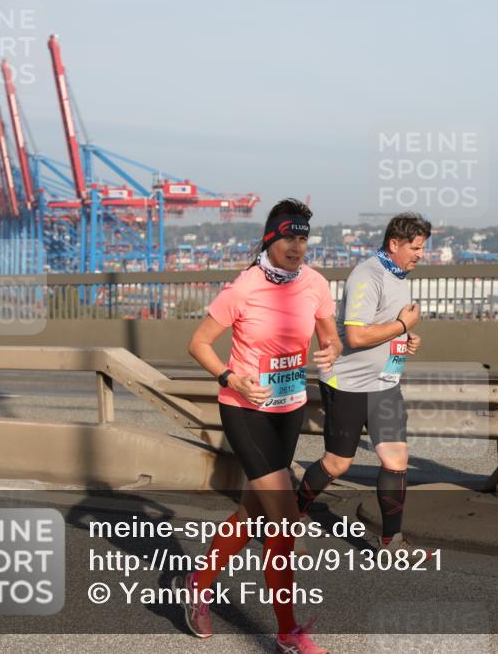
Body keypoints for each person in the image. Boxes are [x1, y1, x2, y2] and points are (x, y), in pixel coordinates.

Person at [179, 198, 340, 654]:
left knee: (255, 513)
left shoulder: (314, 284)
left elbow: (330, 339)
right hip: (244, 408)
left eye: (303, 237)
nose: (297, 246)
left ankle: (199, 581)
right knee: (283, 519)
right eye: (289, 236)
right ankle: (288, 633)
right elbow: (198, 344)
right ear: (270, 239)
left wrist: (330, 353)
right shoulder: (244, 288)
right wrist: (231, 377)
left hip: (288, 411)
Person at [296, 212, 431, 553]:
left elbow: (388, 324)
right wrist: (401, 327)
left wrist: (405, 339)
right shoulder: (367, 275)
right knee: (338, 463)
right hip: (348, 383)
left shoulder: (399, 274)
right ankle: (287, 516)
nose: (420, 254)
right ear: (394, 244)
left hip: (384, 382)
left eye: (422, 248)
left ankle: (392, 541)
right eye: (415, 248)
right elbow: (355, 337)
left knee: (396, 460)